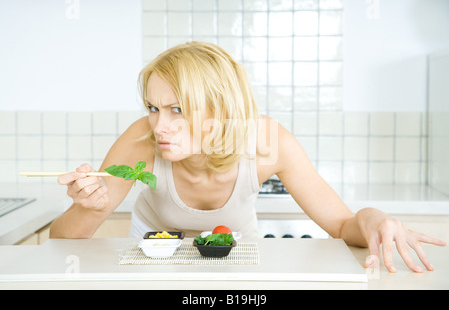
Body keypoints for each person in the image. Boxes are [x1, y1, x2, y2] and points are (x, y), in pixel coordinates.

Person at [51, 41, 446, 273]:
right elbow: (62, 242)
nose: (159, 126)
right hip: (155, 254)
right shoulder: (140, 140)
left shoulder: (267, 140)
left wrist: (372, 218)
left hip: (240, 254)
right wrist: (89, 208)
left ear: (222, 108)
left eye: (178, 109)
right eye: (153, 108)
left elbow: (342, 224)